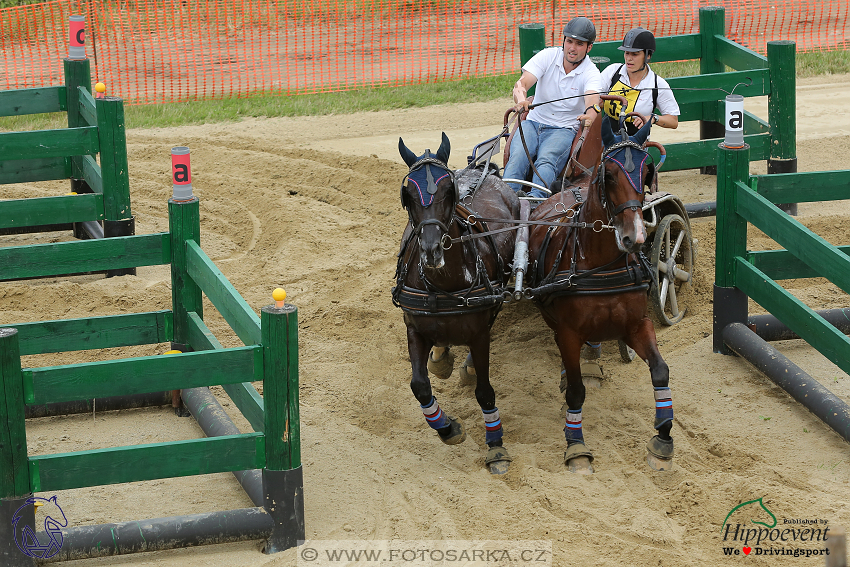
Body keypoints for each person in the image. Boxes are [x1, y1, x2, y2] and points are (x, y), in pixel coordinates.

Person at [503, 17, 602, 199]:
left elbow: (593, 101)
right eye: (569, 41)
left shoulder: (591, 72)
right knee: (517, 156)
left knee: (547, 159)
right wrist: (521, 99)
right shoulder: (548, 55)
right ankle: (506, 200)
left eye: (579, 44)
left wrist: (589, 115)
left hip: (563, 130)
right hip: (532, 123)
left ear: (589, 48)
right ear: (563, 41)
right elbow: (522, 83)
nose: (572, 48)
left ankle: (536, 201)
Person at [599, 27, 680, 136]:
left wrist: (653, 118)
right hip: (606, 138)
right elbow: (594, 99)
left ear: (648, 56)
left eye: (635, 54)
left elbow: (673, 121)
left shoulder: (657, 84)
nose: (629, 58)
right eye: (627, 53)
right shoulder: (613, 72)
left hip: (636, 144)